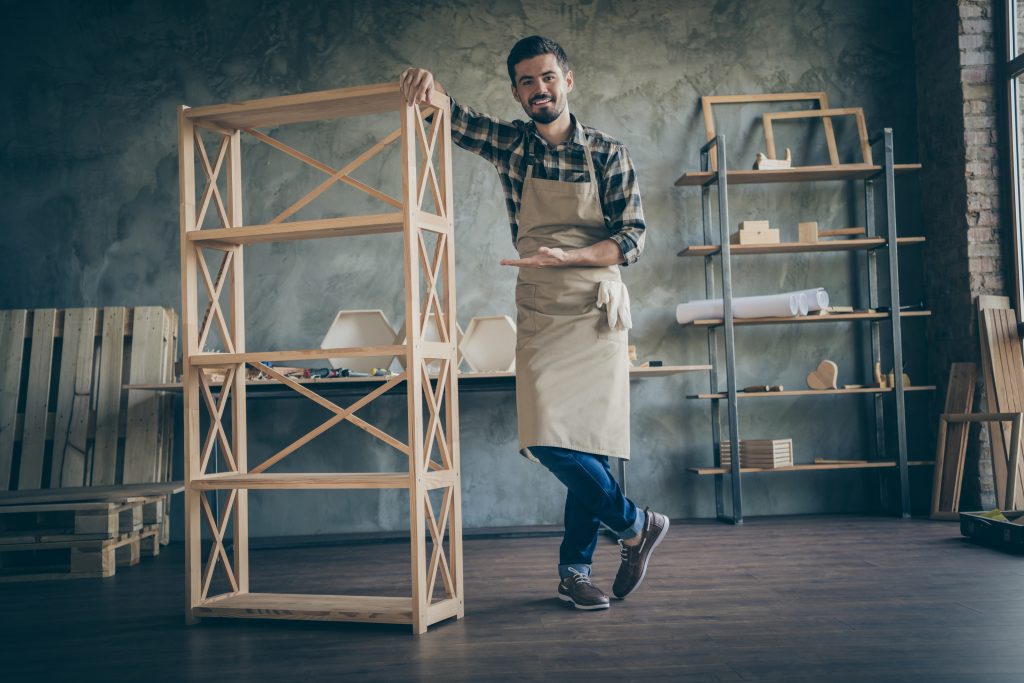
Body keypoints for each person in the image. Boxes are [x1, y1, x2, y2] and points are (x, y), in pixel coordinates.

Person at [399, 35, 668, 611]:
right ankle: (635, 524)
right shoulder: (512, 145)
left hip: (595, 306)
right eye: (525, 81)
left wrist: (570, 257)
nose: (537, 89)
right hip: (542, 309)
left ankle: (574, 571)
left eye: (546, 77)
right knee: (548, 436)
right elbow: (454, 118)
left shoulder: (606, 153)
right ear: (517, 92)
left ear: (567, 80)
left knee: (585, 442)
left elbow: (632, 239)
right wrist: (429, 83)